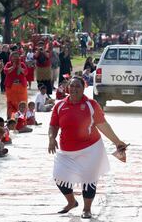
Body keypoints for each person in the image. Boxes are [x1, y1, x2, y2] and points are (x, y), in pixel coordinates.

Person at [48, 76, 127, 218]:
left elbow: (102, 125)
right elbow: (53, 125)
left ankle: (87, 209)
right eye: (71, 86)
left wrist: (116, 141)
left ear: (84, 88)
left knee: (89, 179)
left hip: (91, 149)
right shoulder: (59, 105)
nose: (74, 89)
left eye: (78, 86)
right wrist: (51, 138)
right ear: (67, 88)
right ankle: (71, 202)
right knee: (59, 176)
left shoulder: (91, 104)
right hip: (66, 151)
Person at [3, 51, 28, 119]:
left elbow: (25, 72)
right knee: (11, 102)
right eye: (14, 56)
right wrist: (13, 67)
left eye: (17, 56)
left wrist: (19, 67)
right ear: (10, 57)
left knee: (22, 101)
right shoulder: (8, 64)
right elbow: (5, 71)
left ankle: (22, 117)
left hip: (21, 86)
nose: (15, 58)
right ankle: (11, 117)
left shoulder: (22, 64)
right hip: (11, 87)